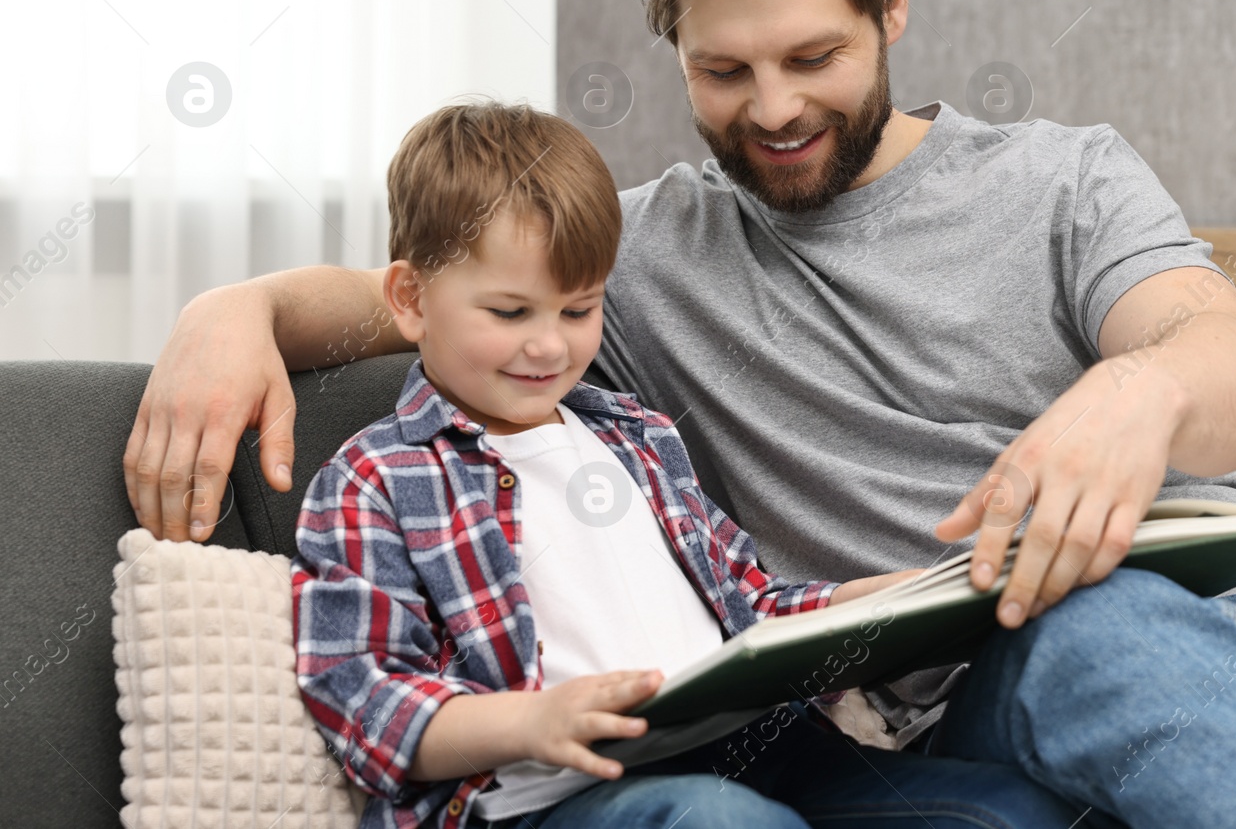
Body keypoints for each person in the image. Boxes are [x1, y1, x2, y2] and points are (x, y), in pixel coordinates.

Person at [127, 0, 1236, 828]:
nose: (771, 106)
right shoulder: (639, 255)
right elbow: (408, 297)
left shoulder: (1063, 176)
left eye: (813, 56)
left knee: (1109, 618)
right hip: (958, 706)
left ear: (890, 10)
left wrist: (1136, 396)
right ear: (674, 48)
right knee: (1066, 651)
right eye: (723, 70)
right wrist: (228, 306)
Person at [293, 100, 1080, 829]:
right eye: (509, 312)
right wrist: (531, 720)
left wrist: (901, 597)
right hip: (562, 796)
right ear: (410, 297)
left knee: (1007, 810)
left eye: (579, 309)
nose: (550, 344)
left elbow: (752, 606)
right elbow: (363, 696)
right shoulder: (379, 477)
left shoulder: (636, 435)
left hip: (765, 751)